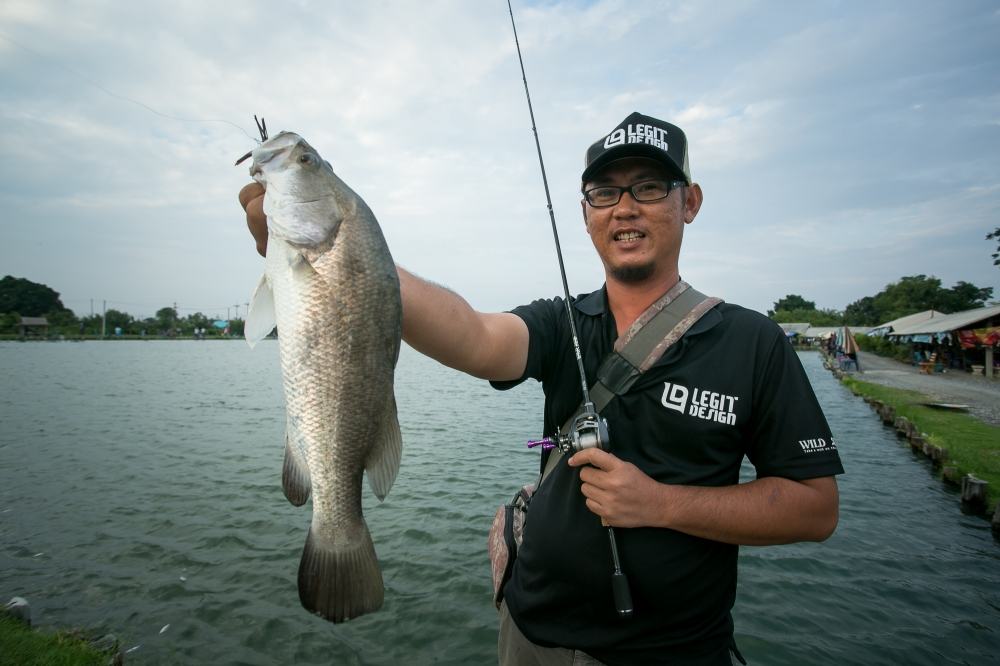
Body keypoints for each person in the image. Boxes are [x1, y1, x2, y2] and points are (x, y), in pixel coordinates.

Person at [239, 111, 843, 665]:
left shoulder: (753, 341)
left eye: (650, 187)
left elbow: (815, 508)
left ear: (691, 203)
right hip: (530, 635)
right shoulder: (563, 325)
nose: (625, 207)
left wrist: (662, 504)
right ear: (586, 214)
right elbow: (472, 335)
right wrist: (329, 249)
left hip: (672, 653)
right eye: (605, 192)